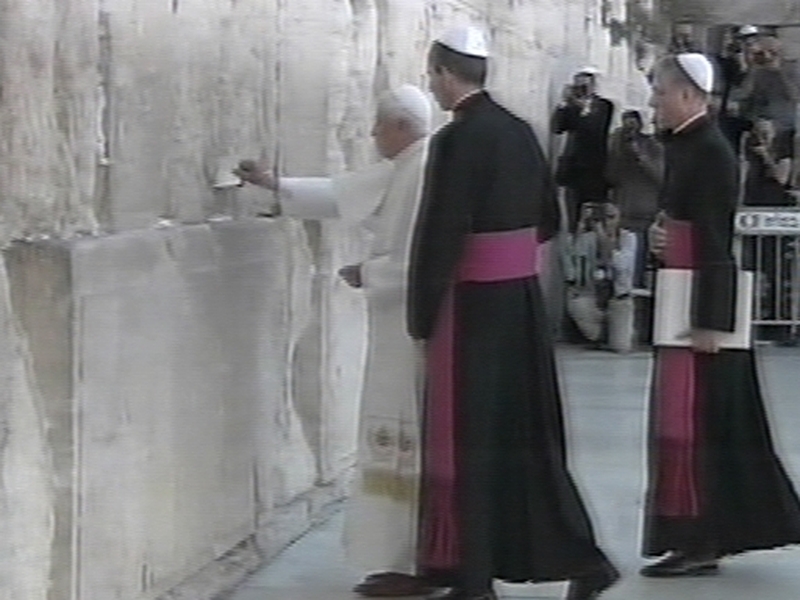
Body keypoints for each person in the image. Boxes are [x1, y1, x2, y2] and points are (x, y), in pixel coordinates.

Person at [407, 26, 618, 600]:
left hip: (472, 310)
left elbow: (439, 234)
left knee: (468, 439)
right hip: (520, 304)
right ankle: (582, 560)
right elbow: (548, 221)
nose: (433, 86)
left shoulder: (456, 140)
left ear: (447, 75)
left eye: (433, 75)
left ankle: (473, 579)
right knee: (527, 440)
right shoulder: (521, 132)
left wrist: (421, 316)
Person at [235, 85, 434, 598]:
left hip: (408, 322)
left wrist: (367, 271)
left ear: (401, 127)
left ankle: (413, 560)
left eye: (378, 125)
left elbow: (419, 259)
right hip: (397, 321)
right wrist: (274, 184)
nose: (371, 135)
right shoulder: (408, 164)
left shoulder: (423, 166)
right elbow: (343, 193)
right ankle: (399, 557)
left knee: (404, 433)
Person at [642, 53, 800, 578]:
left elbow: (713, 238)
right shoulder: (689, 144)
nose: (655, 102)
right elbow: (679, 223)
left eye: (661, 93)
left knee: (696, 425)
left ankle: (701, 537)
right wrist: (659, 238)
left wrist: (711, 319)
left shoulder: (710, 150)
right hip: (683, 296)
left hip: (700, 308)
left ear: (689, 95)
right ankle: (689, 535)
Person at [564, 202, 638, 353]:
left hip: (619, 297)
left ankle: (622, 332)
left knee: (621, 347)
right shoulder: (588, 238)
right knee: (576, 304)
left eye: (612, 217)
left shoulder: (628, 238)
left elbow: (621, 264)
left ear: (620, 218)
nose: (607, 222)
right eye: (604, 218)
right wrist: (582, 224)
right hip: (593, 294)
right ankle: (602, 336)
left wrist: (605, 240)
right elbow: (574, 256)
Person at [605, 109, 663, 287]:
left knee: (644, 263)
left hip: (648, 212)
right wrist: (617, 147)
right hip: (626, 213)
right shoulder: (620, 147)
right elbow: (611, 177)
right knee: (625, 266)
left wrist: (640, 155)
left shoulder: (653, 145)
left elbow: (660, 176)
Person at [552, 67, 615, 232]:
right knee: (572, 216)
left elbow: (594, 129)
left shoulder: (604, 106)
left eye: (585, 86)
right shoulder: (571, 107)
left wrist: (581, 107)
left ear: (593, 86)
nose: (581, 90)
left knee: (593, 218)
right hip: (573, 168)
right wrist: (563, 104)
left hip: (595, 170)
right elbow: (557, 128)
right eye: (578, 86)